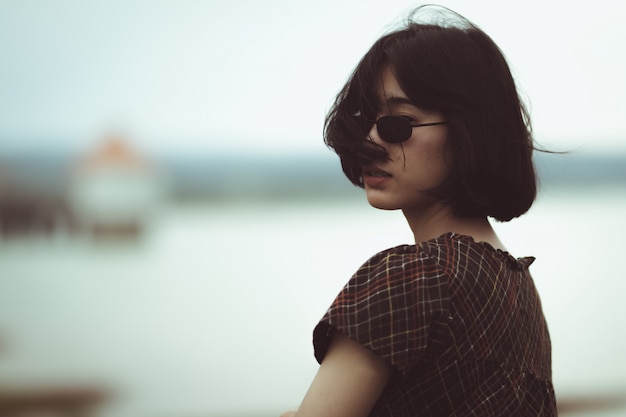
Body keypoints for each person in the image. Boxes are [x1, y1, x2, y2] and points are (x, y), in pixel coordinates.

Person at [281, 5, 556, 417]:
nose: (369, 140)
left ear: (471, 131)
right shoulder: (517, 290)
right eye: (363, 120)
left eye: (399, 123)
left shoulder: (413, 277)